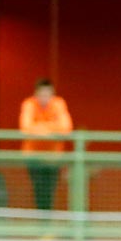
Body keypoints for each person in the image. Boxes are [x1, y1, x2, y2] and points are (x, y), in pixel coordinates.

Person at [18, 79, 73, 211]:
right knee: (38, 189)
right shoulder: (29, 104)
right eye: (42, 95)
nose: (45, 98)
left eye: (48, 95)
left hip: (53, 158)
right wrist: (52, 129)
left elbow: (66, 128)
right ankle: (41, 221)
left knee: (49, 190)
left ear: (52, 94)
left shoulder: (59, 103)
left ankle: (47, 223)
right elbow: (25, 128)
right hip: (33, 157)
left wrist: (39, 129)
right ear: (36, 94)